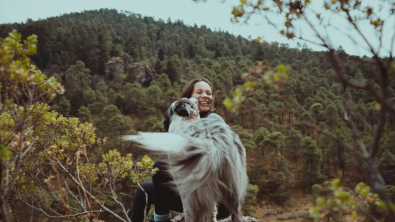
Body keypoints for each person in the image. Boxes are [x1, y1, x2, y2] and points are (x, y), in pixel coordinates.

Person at [127, 78, 229, 222]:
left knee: (161, 164)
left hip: (216, 200)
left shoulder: (214, 119)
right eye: (199, 92)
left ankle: (160, 220)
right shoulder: (181, 122)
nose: (206, 95)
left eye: (209, 93)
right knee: (145, 189)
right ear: (188, 98)